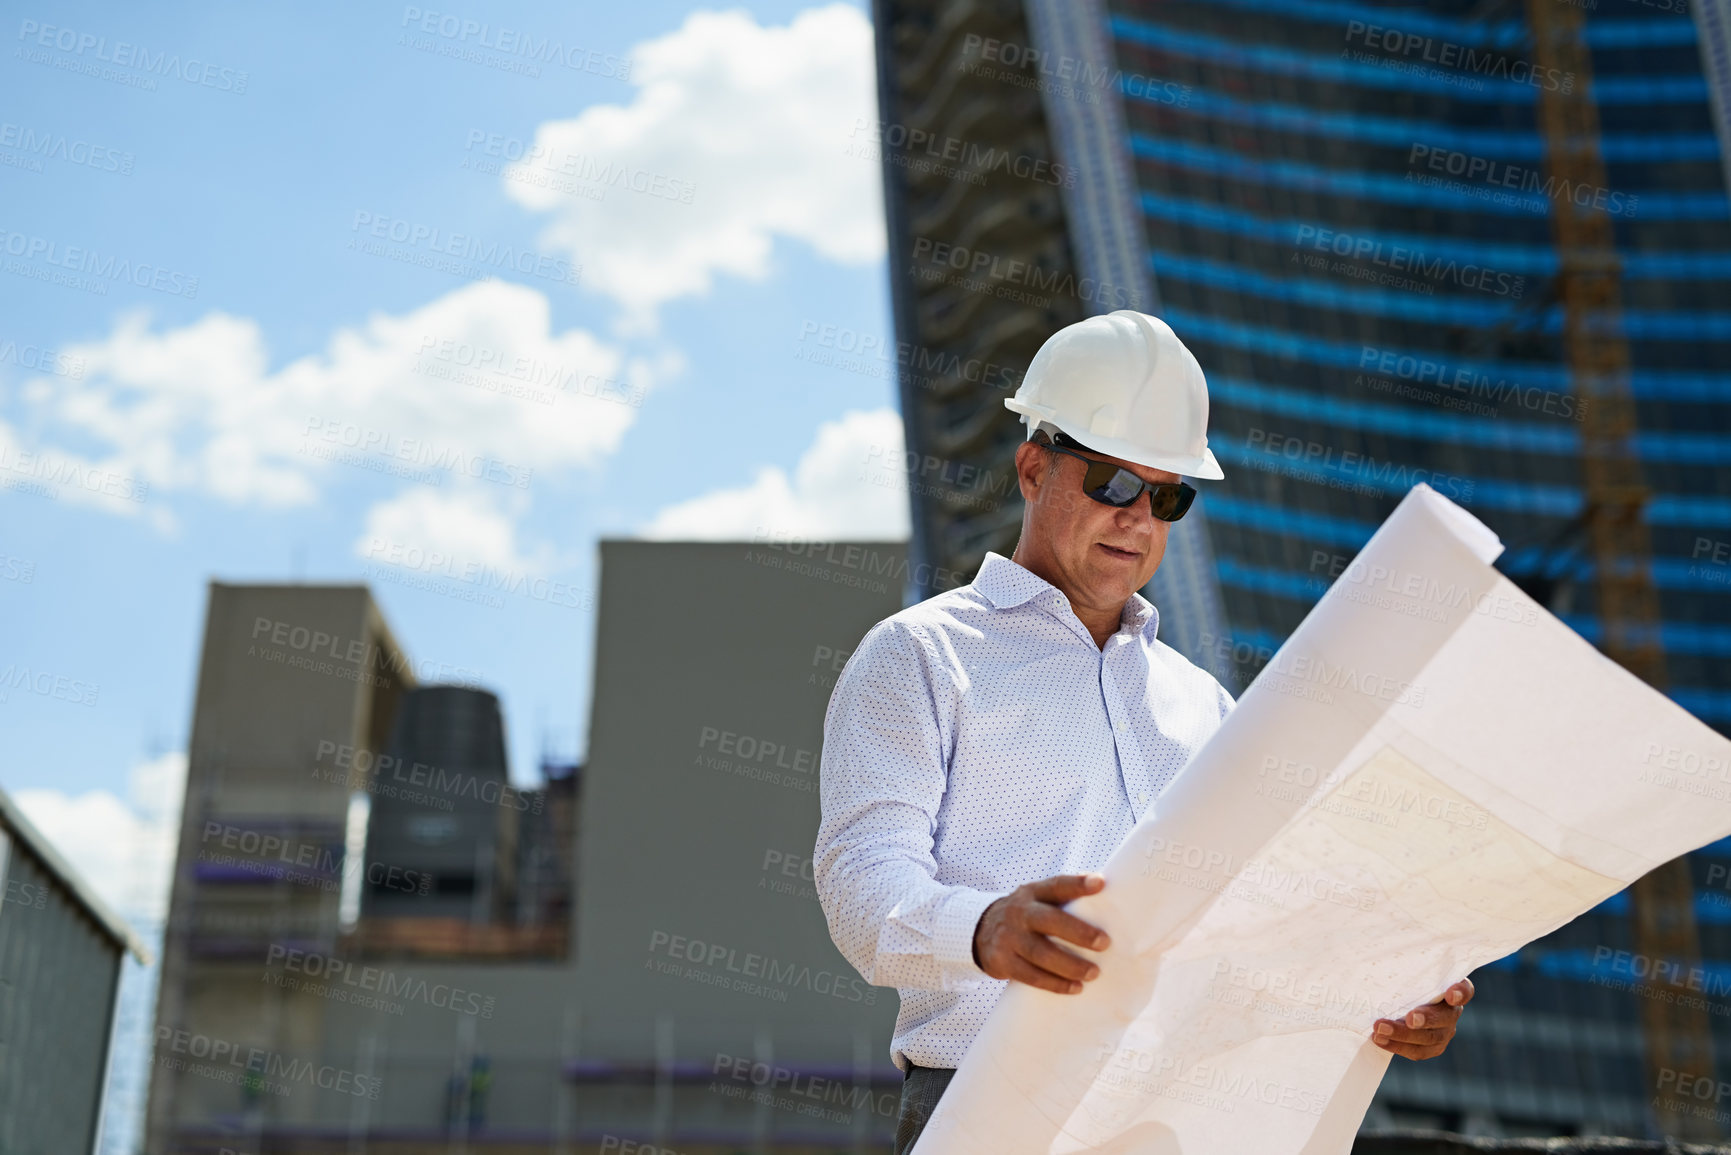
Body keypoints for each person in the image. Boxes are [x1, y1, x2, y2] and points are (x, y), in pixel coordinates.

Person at [812, 311, 1472, 1154]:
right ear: (1030, 467)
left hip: (1185, 1120)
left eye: (1166, 496)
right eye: (1114, 484)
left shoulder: (1203, 704)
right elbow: (860, 886)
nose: (1137, 517)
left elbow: (1257, 917)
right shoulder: (919, 655)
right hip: (987, 1106)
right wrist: (982, 929)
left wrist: (1386, 991)